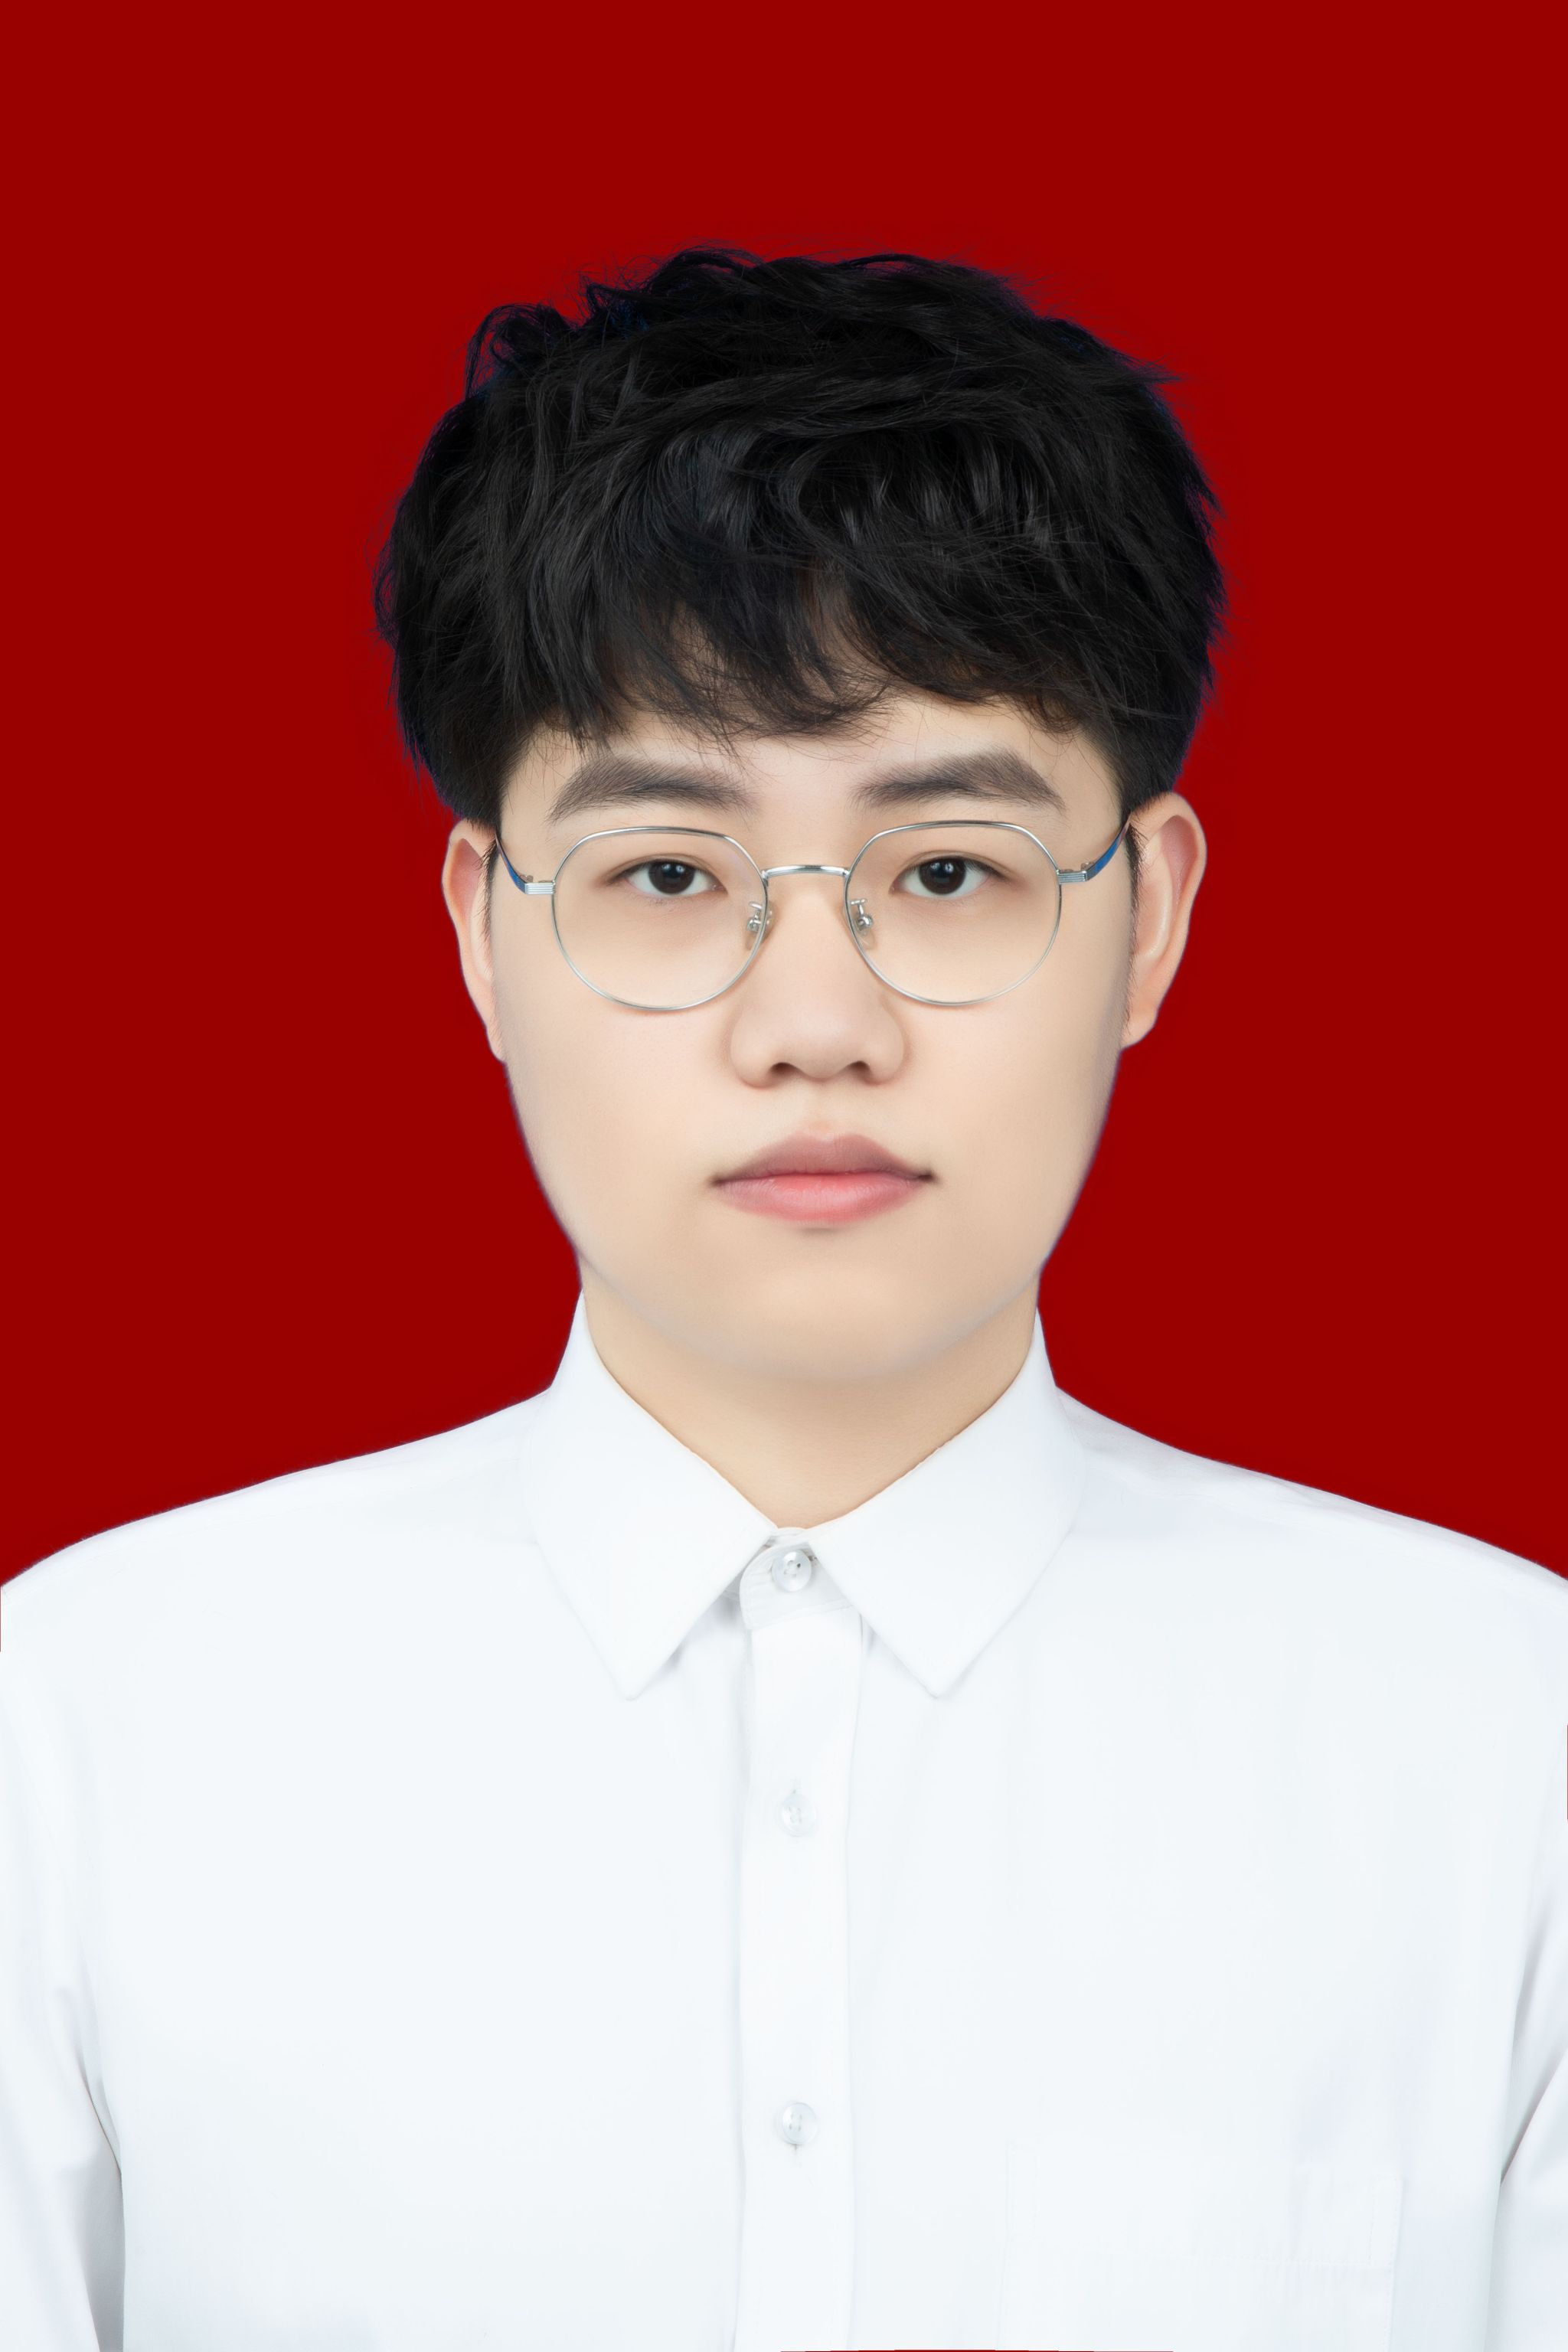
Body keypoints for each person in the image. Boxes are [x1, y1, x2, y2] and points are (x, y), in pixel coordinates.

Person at [1, 247, 1562, 2352]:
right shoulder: (84, 1734)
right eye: (668, 874)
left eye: (948, 872)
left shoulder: (1500, 1749)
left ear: (1150, 921)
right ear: (481, 932)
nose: (815, 1023)